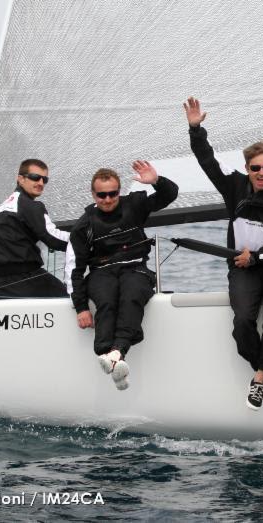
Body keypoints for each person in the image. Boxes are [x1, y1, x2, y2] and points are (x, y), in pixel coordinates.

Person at [184, 97, 263, 411]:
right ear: (247, 168)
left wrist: (258, 257)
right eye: (256, 168)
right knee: (243, 322)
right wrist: (196, 129)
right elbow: (207, 160)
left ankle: (259, 379)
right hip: (241, 266)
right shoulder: (233, 185)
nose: (262, 173)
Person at [65, 161, 178, 390]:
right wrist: (81, 308)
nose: (107, 199)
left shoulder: (134, 204)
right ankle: (116, 357)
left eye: (113, 194)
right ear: (93, 194)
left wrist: (157, 181)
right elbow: (76, 270)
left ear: (119, 191)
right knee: (106, 300)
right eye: (102, 195)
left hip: (135, 267)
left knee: (132, 294)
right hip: (101, 271)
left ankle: (114, 355)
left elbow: (170, 195)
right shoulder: (83, 226)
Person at [0, 159, 70, 299]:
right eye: (35, 177)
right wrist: (86, 240)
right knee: (70, 301)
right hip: (26, 280)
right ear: (20, 179)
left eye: (44, 179)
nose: (40, 183)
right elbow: (52, 237)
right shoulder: (30, 206)